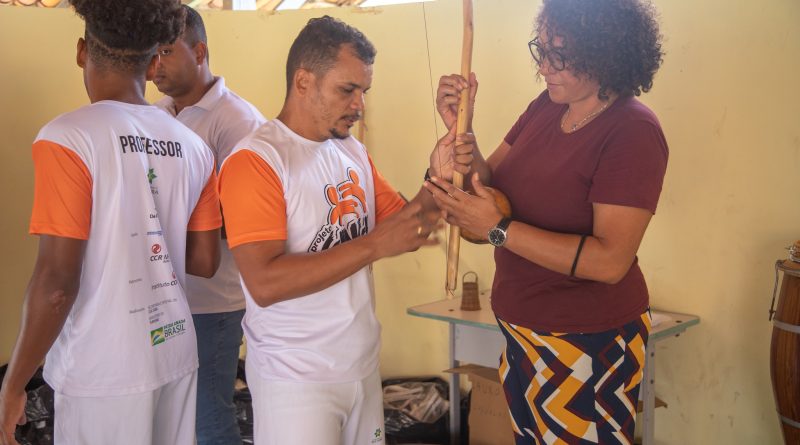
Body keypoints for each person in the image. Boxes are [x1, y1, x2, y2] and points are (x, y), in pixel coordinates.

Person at [425, 0, 668, 443]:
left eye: (562, 56)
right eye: (542, 50)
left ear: (605, 54)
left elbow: (610, 260)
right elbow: (491, 185)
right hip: (523, 332)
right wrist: (463, 128)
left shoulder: (632, 130)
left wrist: (498, 229)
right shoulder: (545, 107)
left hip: (587, 343)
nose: (545, 68)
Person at [217, 15, 458, 445]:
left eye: (364, 91)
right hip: (296, 380)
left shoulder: (351, 151)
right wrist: (373, 246)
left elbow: (408, 224)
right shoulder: (257, 161)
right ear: (304, 81)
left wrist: (436, 173)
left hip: (361, 365)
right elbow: (264, 282)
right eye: (348, 90)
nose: (359, 105)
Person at [0, 1, 222, 444]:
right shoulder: (194, 147)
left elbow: (57, 282)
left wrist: (13, 384)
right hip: (174, 353)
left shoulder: (69, 137)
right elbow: (203, 261)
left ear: (82, 51)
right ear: (155, 60)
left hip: (104, 368)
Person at [152, 6, 266, 444]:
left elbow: (244, 220)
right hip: (166, 293)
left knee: (206, 417)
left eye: (166, 51)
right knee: (174, 416)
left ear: (199, 51)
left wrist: (162, 230)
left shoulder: (237, 122)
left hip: (213, 300)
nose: (155, 65)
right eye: (152, 53)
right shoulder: (156, 114)